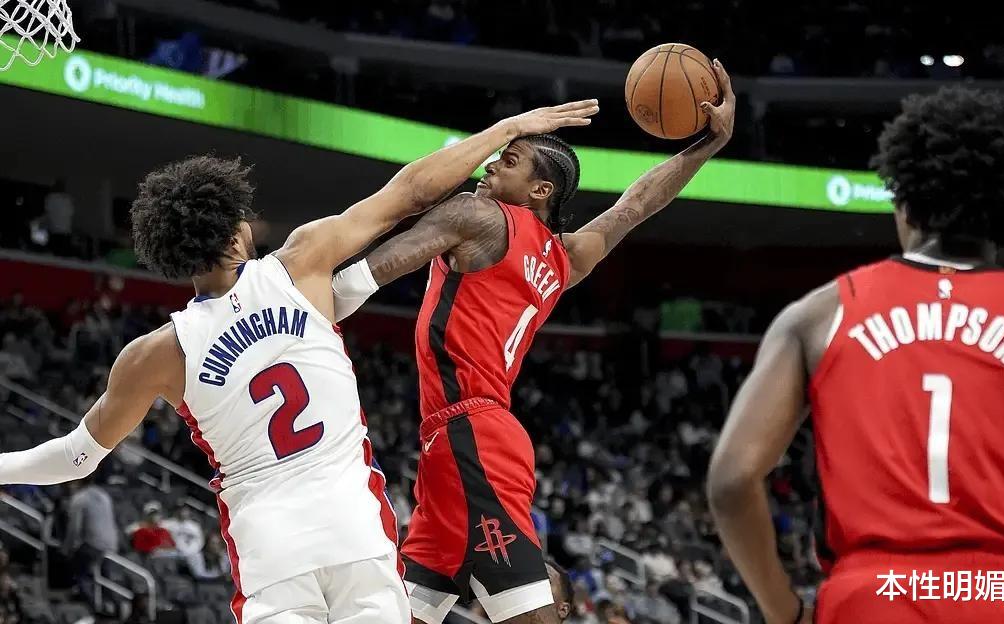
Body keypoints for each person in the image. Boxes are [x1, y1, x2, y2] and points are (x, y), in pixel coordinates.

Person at [0, 100, 598, 624]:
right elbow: (415, 191)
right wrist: (506, 130)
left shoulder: (154, 354)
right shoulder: (302, 263)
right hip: (356, 533)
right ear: (237, 237)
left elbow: (74, 458)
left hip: (271, 552)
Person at [333, 61, 734, 624]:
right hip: (460, 440)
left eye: (509, 161)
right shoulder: (566, 258)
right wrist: (710, 144)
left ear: (540, 189)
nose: (491, 164)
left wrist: (281, 313)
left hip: (473, 436)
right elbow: (636, 204)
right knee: (403, 615)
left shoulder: (480, 215)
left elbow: (357, 281)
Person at [708, 87, 1004, 624]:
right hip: (1002, 595)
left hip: (869, 598)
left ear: (903, 202)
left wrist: (786, 613)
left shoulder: (819, 314)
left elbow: (731, 480)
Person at [64, 474, 119, 598]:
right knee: (105, 577)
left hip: (93, 546)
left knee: (79, 569)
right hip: (112, 544)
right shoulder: (104, 495)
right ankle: (108, 600)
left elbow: (74, 529)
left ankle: (90, 600)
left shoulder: (80, 498)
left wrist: (67, 549)